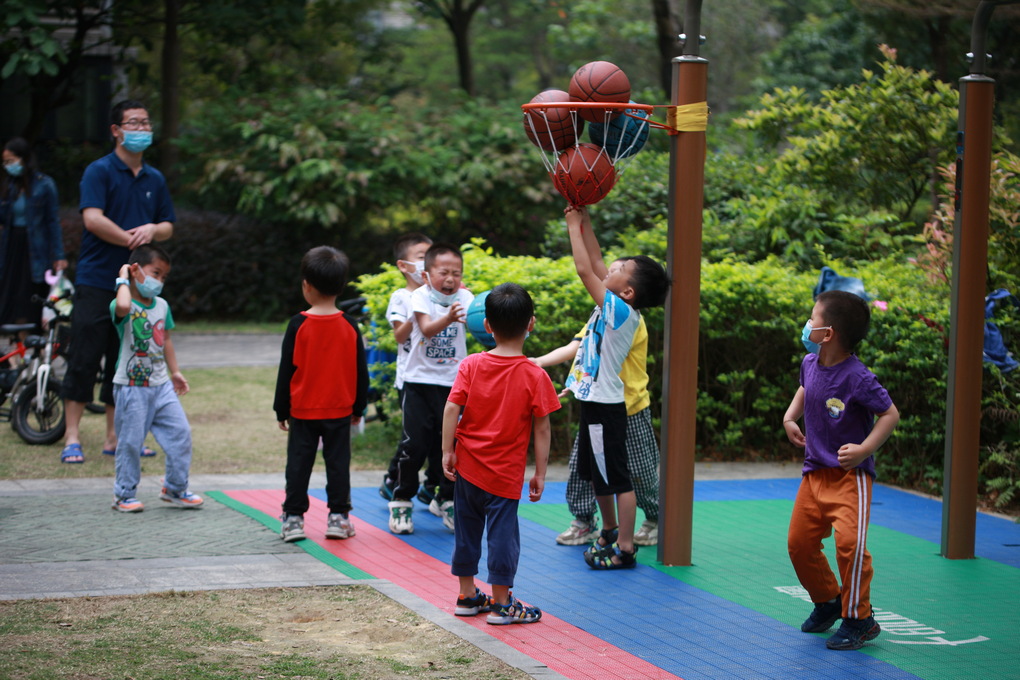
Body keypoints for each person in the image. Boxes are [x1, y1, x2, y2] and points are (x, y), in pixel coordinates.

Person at [782, 290, 899, 651]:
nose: (808, 323)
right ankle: (828, 600)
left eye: (813, 318)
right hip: (814, 473)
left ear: (828, 332)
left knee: (850, 546)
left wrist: (864, 448)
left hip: (851, 479)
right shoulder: (810, 362)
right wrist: (789, 417)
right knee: (799, 544)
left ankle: (859, 618)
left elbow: (890, 414)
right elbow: (805, 388)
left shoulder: (858, 377)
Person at [61, 99, 175, 465]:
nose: (141, 130)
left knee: (126, 360)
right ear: (116, 130)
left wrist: (152, 229)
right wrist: (131, 239)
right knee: (84, 357)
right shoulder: (99, 171)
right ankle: (72, 437)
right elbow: (92, 219)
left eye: (145, 124)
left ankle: (115, 437)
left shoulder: (154, 178)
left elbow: (168, 225)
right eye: (133, 123)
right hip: (98, 279)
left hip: (140, 286)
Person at [442, 282, 560, 625]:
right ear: (531, 324)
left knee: (466, 530)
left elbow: (452, 409)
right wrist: (539, 472)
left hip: (467, 468)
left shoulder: (471, 365)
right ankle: (501, 603)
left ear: (488, 326)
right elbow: (542, 428)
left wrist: (447, 450)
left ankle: (466, 595)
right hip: (505, 476)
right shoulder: (535, 375)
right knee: (503, 537)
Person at [562, 205, 670, 569]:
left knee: (620, 480)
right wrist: (586, 217)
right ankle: (610, 529)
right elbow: (594, 262)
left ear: (626, 291)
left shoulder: (619, 311)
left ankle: (625, 548)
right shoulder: (617, 303)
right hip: (597, 403)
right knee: (599, 475)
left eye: (620, 269)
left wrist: (573, 227)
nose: (611, 267)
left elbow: (583, 268)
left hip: (607, 408)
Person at [531, 315, 660, 546]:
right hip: (597, 407)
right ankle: (585, 521)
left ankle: (656, 518)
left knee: (641, 472)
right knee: (583, 469)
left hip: (629, 409)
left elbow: (604, 354)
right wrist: (540, 362)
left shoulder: (626, 315)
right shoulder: (598, 314)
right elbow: (579, 347)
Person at [274, 246, 368, 543]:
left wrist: (281, 409)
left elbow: (286, 370)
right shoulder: (350, 326)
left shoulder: (297, 325)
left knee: (298, 465)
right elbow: (360, 372)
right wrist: (359, 407)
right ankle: (339, 519)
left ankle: (293, 519)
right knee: (338, 465)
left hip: (302, 411)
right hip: (340, 410)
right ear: (341, 287)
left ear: (306, 285)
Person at [387, 243, 473, 534]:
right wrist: (448, 318)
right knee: (415, 445)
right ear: (427, 275)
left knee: (451, 445)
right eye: (443, 272)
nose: (450, 279)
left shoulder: (467, 297)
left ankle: (447, 499)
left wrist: (518, 326)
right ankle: (401, 501)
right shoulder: (420, 296)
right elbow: (424, 328)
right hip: (419, 383)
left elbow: (485, 326)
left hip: (454, 385)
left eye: (456, 273)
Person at [110, 244, 201, 512]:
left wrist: (175, 372)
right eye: (155, 273)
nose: (159, 281)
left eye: (164, 276)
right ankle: (124, 495)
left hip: (161, 386)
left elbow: (167, 339)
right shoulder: (120, 302)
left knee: (181, 433)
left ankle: (174, 488)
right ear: (136, 270)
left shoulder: (162, 305)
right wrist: (123, 277)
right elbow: (124, 305)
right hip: (131, 388)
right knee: (130, 443)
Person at [379, 232, 441, 506]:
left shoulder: (438, 294)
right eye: (420, 258)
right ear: (403, 265)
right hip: (410, 379)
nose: (426, 263)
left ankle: (432, 486)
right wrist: (417, 315)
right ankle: (394, 481)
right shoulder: (401, 297)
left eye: (429, 258)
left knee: (439, 436)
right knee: (416, 437)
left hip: (439, 376)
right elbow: (399, 336)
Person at [0, 138, 67, 330]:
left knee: (28, 300)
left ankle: (28, 349)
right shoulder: (9, 186)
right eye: (5, 162)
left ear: (24, 159)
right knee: (9, 300)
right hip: (11, 248)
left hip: (34, 250)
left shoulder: (44, 185)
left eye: (11, 160)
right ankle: (15, 352)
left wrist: (58, 255)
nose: (8, 166)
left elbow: (52, 222)